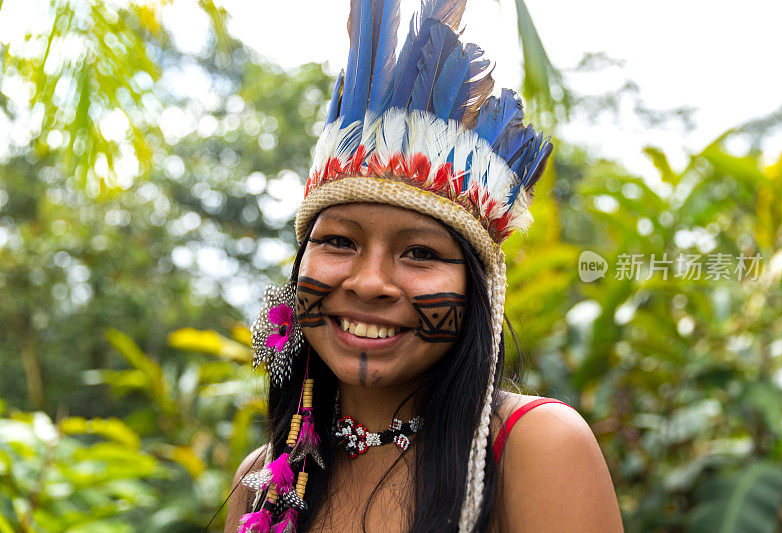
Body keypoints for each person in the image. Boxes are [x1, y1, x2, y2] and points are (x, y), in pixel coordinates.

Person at [226, 1, 623, 531]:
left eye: (420, 253)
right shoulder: (262, 483)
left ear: (478, 289)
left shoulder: (536, 446)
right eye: (340, 242)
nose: (369, 283)